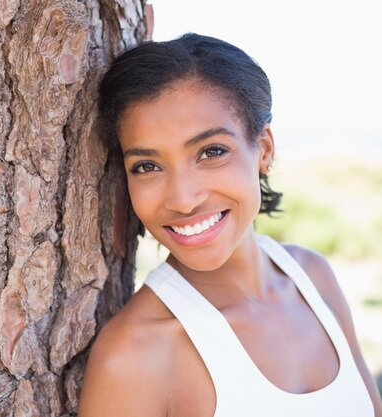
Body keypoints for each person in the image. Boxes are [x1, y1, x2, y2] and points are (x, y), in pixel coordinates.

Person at [78, 33, 382, 417]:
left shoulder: (313, 277)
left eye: (211, 152)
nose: (183, 199)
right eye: (147, 166)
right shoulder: (135, 354)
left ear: (265, 149)